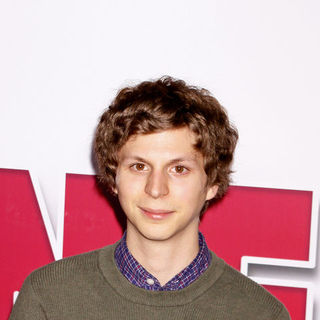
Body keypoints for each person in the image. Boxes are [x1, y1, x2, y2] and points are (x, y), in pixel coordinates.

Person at [10, 77, 291, 319]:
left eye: (179, 169)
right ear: (113, 177)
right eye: (139, 166)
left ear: (212, 183)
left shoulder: (260, 313)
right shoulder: (49, 297)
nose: (156, 189)